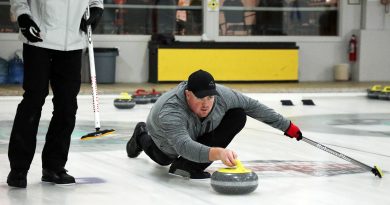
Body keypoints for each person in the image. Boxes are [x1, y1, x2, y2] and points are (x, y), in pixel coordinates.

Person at [126, 69, 303, 179]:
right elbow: (183, 146)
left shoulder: (222, 96)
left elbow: (253, 106)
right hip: (167, 142)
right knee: (165, 158)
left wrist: (287, 127)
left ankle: (187, 167)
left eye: (210, 97)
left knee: (238, 115)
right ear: (188, 94)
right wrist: (217, 153)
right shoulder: (170, 111)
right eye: (200, 97)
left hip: (199, 132)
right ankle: (141, 135)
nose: (206, 103)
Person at [7, 0, 104, 188]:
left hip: (73, 42)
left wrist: (96, 8)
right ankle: (18, 168)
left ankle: (54, 166)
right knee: (33, 101)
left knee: (67, 106)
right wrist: (23, 15)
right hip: (39, 38)